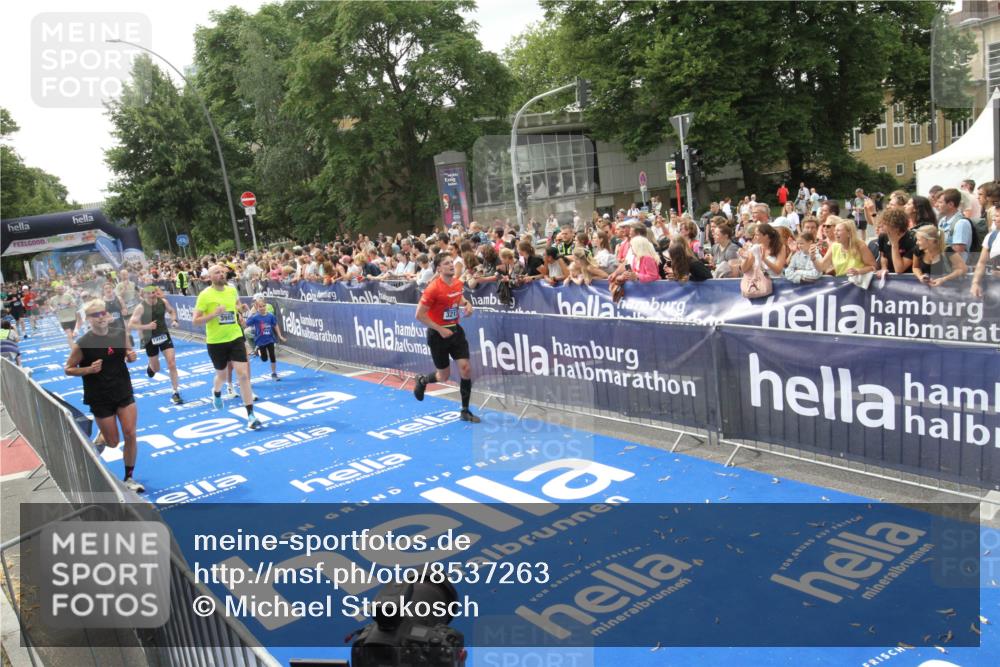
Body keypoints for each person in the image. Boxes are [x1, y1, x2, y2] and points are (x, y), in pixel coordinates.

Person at [64, 299, 144, 493]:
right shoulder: (82, 343)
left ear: (108, 315)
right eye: (95, 315)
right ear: (88, 319)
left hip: (122, 390)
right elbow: (68, 369)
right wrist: (89, 370)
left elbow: (127, 354)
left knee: (130, 433)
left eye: (102, 313)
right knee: (113, 442)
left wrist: (131, 357)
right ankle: (103, 438)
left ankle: (129, 477)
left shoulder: (120, 334)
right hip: (99, 396)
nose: (100, 317)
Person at [412, 254, 480, 423]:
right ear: (439, 269)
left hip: (456, 332)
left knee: (465, 369)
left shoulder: (457, 283)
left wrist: (468, 305)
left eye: (452, 262)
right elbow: (419, 315)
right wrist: (440, 329)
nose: (451, 265)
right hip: (437, 335)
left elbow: (459, 298)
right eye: (446, 263)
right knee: (444, 376)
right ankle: (422, 380)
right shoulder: (433, 288)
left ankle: (465, 410)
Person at [193, 265, 261, 429]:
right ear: (210, 277)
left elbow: (234, 309)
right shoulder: (204, 295)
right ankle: (216, 391)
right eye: (217, 272)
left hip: (235, 337)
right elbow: (195, 320)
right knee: (222, 377)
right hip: (216, 342)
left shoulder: (231, 290)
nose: (222, 274)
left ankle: (251, 415)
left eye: (223, 272)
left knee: (243, 375)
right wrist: (214, 314)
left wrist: (240, 313)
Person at [129, 285, 183, 404]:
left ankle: (175, 392)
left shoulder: (163, 302)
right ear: (144, 295)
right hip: (149, 339)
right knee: (156, 369)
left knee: (172, 363)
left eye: (153, 292)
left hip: (164, 335)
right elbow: (131, 325)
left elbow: (172, 311)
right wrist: (146, 326)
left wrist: (174, 320)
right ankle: (151, 366)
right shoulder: (140, 307)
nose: (152, 295)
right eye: (149, 294)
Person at [811, 217, 876, 278]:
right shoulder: (834, 246)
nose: (835, 233)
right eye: (835, 230)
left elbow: (873, 266)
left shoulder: (860, 245)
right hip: (841, 284)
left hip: (857, 284)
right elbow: (821, 267)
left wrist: (859, 271)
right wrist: (813, 258)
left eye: (838, 230)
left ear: (849, 233)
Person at [243, 296, 287, 380]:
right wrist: (248, 314)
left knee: (272, 356)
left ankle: (274, 373)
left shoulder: (270, 316)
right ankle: (258, 349)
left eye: (264, 306)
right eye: (260, 307)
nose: (262, 308)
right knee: (264, 359)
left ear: (266, 305)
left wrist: (280, 335)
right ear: (257, 307)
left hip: (270, 339)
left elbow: (275, 325)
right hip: (260, 340)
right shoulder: (255, 317)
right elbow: (246, 324)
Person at [49, 281, 80, 346]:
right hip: (63, 320)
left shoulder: (68, 296)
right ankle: (73, 349)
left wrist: (67, 304)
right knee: (69, 335)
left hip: (73, 318)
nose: (60, 290)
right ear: (55, 290)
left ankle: (75, 344)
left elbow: (75, 304)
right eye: (58, 289)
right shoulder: (53, 299)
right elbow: (50, 305)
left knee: (73, 334)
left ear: (63, 289)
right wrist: (52, 309)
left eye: (61, 289)